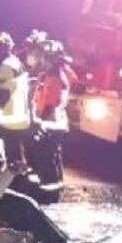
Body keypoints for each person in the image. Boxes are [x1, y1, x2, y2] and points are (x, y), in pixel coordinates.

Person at [25, 38, 73, 203]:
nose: (42, 60)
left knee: (46, 160)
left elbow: (51, 105)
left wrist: (38, 123)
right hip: (47, 124)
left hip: (52, 126)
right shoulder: (46, 76)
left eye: (45, 58)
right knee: (48, 159)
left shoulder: (56, 79)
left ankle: (49, 194)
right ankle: (46, 190)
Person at [0, 32, 32, 174]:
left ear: (3, 49)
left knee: (10, 157)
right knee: (15, 154)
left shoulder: (6, 68)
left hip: (8, 119)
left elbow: (3, 95)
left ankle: (14, 182)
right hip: (15, 118)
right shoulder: (13, 63)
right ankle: (18, 179)